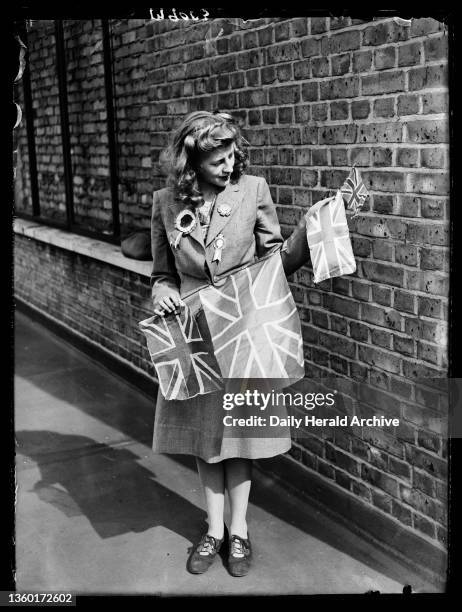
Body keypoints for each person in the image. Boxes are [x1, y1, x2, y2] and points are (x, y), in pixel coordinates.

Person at [149, 110, 306, 578]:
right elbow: (162, 273)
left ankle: (238, 532)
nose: (229, 165)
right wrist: (164, 292)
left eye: (232, 155)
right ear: (192, 164)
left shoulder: (253, 190)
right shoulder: (164, 202)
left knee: (240, 436)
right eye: (218, 159)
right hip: (194, 331)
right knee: (205, 435)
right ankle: (213, 529)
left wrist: (308, 235)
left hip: (244, 327)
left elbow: (276, 261)